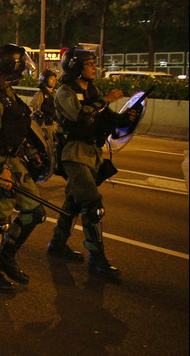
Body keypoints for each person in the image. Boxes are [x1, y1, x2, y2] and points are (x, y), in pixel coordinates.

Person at [48, 48, 137, 280]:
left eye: (93, 63)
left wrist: (125, 118)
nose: (93, 67)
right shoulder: (65, 92)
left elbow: (105, 117)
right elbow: (80, 116)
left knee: (73, 202)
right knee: (92, 205)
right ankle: (97, 259)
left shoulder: (94, 90)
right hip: (73, 152)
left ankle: (57, 243)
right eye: (88, 64)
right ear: (76, 66)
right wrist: (104, 100)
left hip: (92, 152)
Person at [0, 44, 46, 292]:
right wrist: (0, 170)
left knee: (34, 212)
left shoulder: (7, 93)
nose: (24, 67)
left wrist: (31, 152)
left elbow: (16, 128)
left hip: (14, 160)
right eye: (21, 63)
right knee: (0, 221)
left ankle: (6, 256)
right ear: (11, 66)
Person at [29, 69, 58, 142]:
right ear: (45, 80)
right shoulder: (41, 94)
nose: (54, 81)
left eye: (55, 79)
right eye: (51, 79)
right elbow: (32, 107)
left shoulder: (54, 94)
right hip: (44, 125)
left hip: (54, 124)